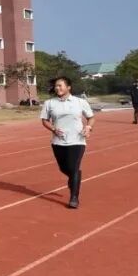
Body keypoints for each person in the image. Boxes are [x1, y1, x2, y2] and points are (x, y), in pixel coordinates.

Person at [40, 76, 95, 209]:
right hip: (58, 141)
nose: (57, 88)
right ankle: (74, 178)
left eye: (60, 85)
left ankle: (74, 197)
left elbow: (91, 117)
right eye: (56, 86)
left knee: (74, 167)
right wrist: (53, 129)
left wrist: (88, 127)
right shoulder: (49, 103)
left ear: (68, 87)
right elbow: (45, 120)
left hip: (77, 140)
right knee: (64, 168)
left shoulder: (80, 102)